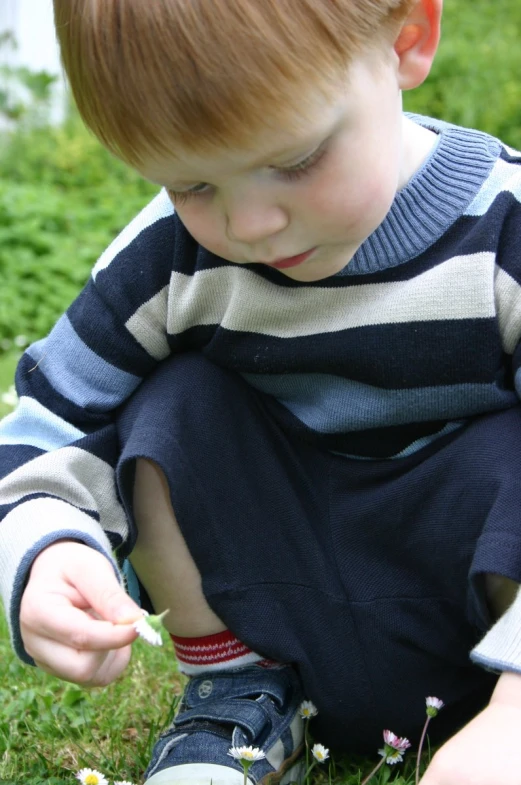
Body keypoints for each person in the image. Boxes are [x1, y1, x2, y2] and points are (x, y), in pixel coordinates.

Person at [1, 0, 521, 782]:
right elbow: (52, 421)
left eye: (297, 159)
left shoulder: (503, 234)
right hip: (285, 602)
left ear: (407, 40)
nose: (251, 223)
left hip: (481, 621)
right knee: (171, 401)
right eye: (193, 181)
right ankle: (236, 690)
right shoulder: (170, 262)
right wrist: (45, 546)